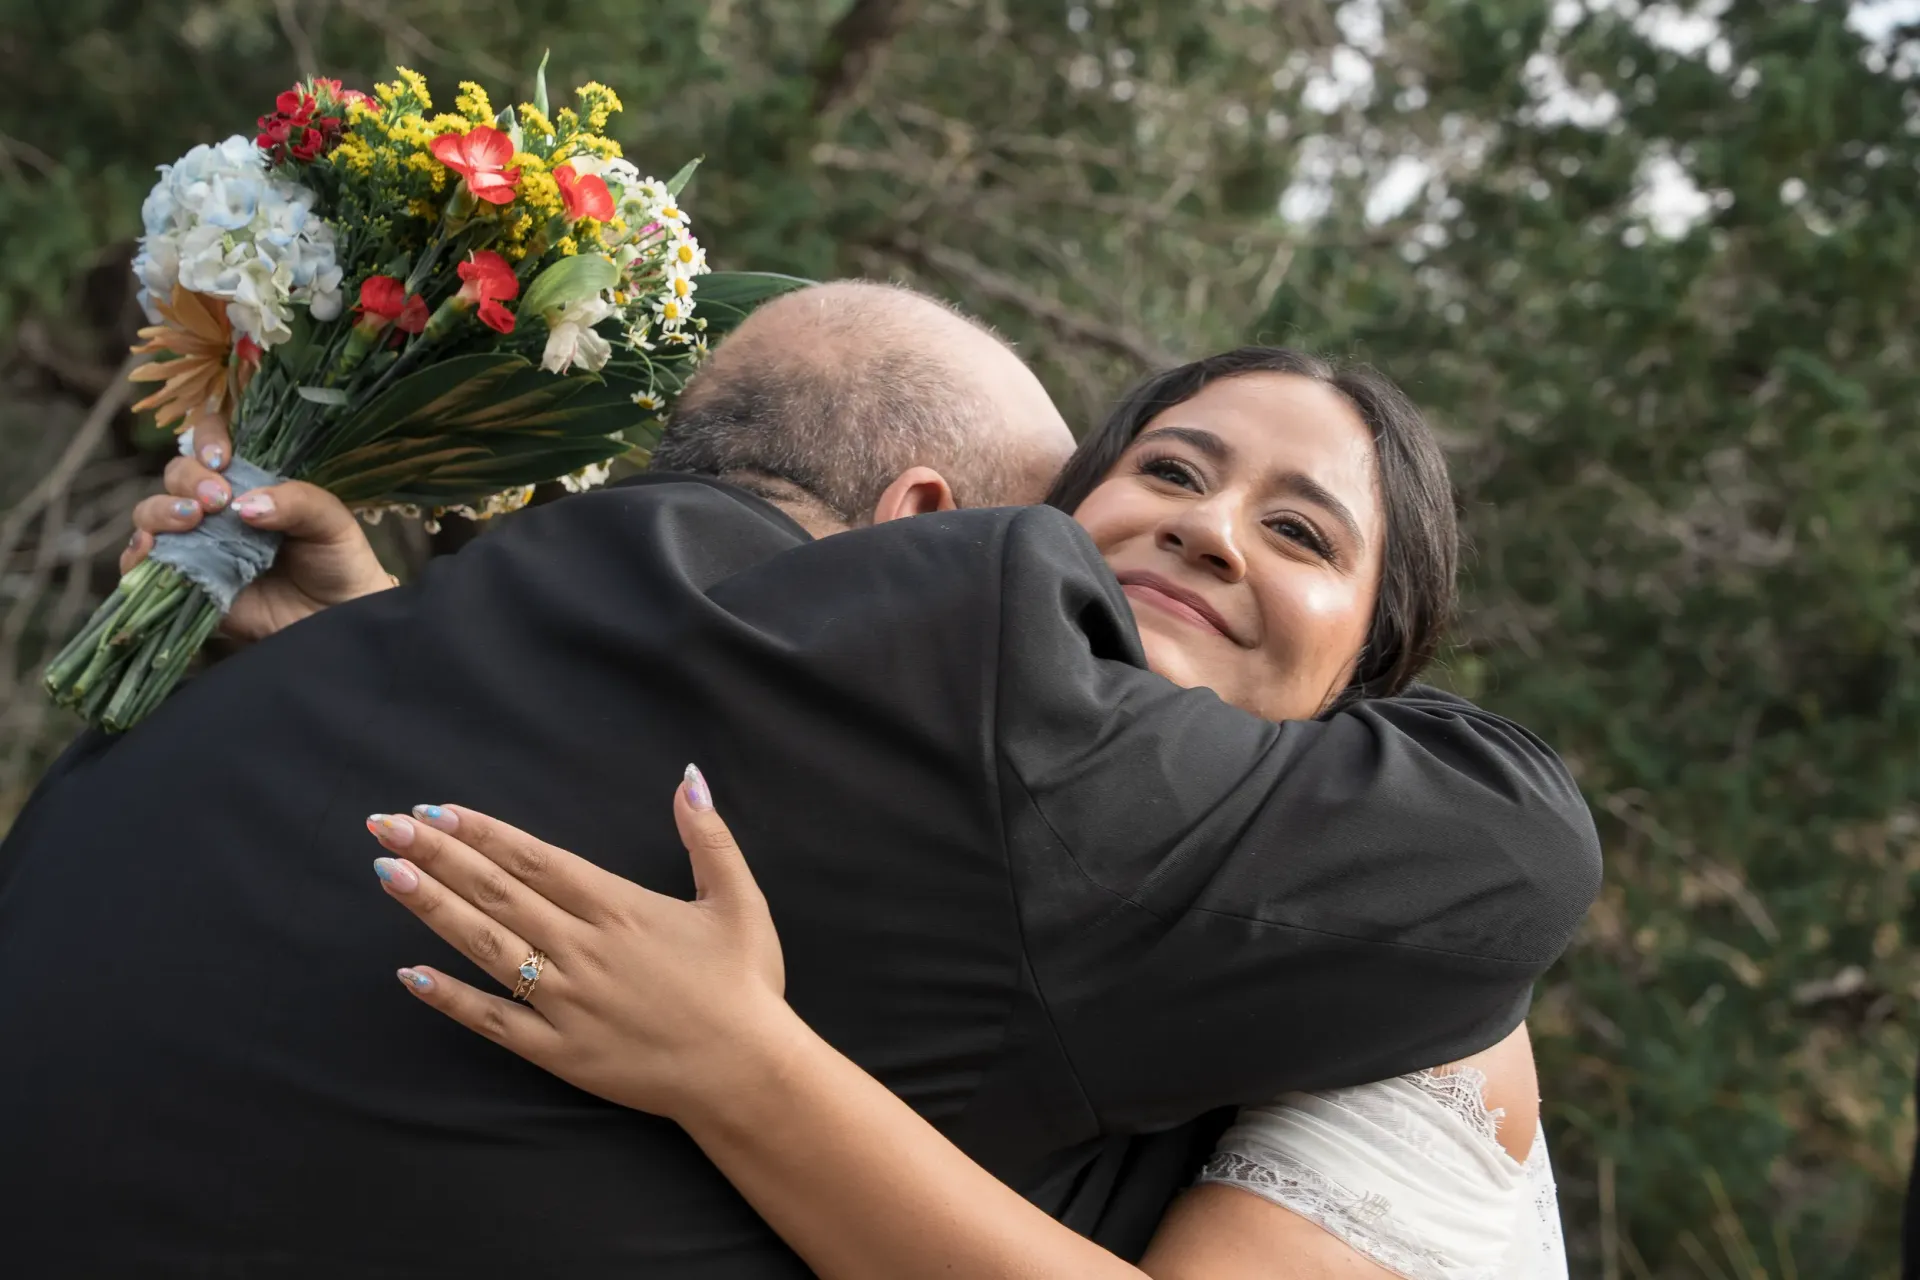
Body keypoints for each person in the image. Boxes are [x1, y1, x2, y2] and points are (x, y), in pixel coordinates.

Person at [0, 286, 1597, 1278]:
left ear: (1376, 667)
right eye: (1165, 471)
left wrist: (742, 1064)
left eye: (1302, 530)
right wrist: (378, 657)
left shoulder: (1393, 943)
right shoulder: (964, 728)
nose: (1206, 525)